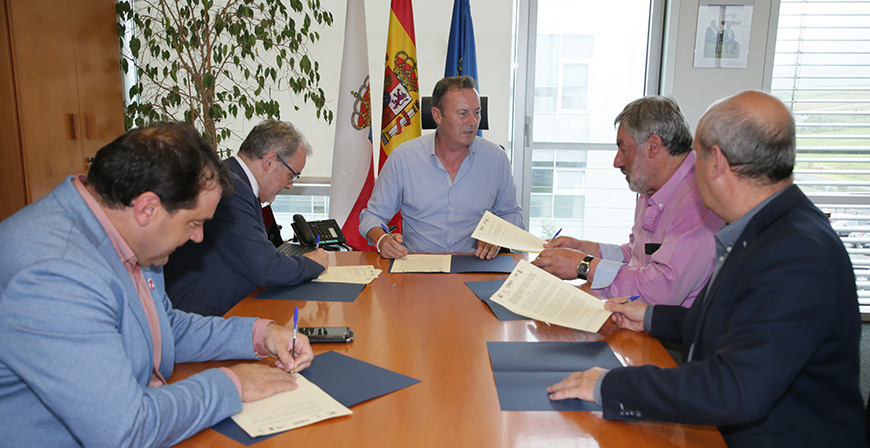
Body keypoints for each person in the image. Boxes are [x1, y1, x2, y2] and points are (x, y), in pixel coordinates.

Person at [547, 91, 865, 447]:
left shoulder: (795, 252)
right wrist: (652, 317)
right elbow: (739, 324)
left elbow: (735, 386)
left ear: (716, 162)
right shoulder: (765, 227)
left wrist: (610, 385)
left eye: (695, 156)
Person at [0, 123, 316, 447]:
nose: (199, 238)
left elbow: (166, 329)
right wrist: (234, 384)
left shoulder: (133, 240)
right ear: (147, 209)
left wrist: (260, 334)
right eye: (193, 224)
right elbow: (125, 430)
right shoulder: (55, 275)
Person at [532, 96, 723, 307]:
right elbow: (636, 254)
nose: (617, 162)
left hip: (672, 335)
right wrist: (584, 249)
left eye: (623, 149)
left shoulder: (699, 199)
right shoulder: (651, 187)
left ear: (653, 146)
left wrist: (582, 266)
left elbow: (660, 291)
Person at [165, 120, 328, 316]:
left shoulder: (233, 178)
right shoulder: (231, 187)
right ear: (269, 161)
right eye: (291, 175)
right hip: (202, 318)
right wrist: (312, 263)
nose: (290, 185)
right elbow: (265, 267)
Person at [359, 75, 523, 260]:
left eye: (476, 112)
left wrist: (498, 235)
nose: (472, 122)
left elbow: (511, 214)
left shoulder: (495, 159)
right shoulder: (404, 158)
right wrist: (381, 239)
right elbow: (371, 216)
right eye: (463, 113)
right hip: (417, 267)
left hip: (477, 266)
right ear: (437, 115)